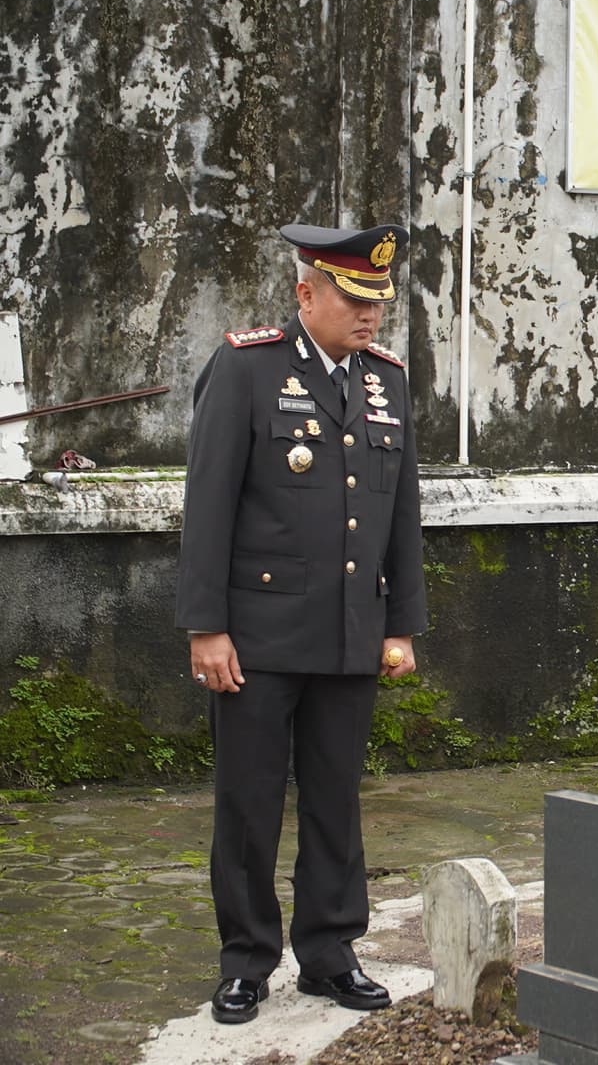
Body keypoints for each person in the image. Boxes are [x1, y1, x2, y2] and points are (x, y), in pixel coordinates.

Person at [176, 222, 426, 1024]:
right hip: (257, 635)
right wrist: (205, 627)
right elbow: (207, 505)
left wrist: (402, 625)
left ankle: (327, 952)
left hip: (352, 629)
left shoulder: (384, 380)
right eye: (355, 300)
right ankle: (247, 959)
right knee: (248, 802)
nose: (370, 317)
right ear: (306, 292)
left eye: (378, 303)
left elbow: (403, 516)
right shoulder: (246, 368)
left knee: (334, 799)